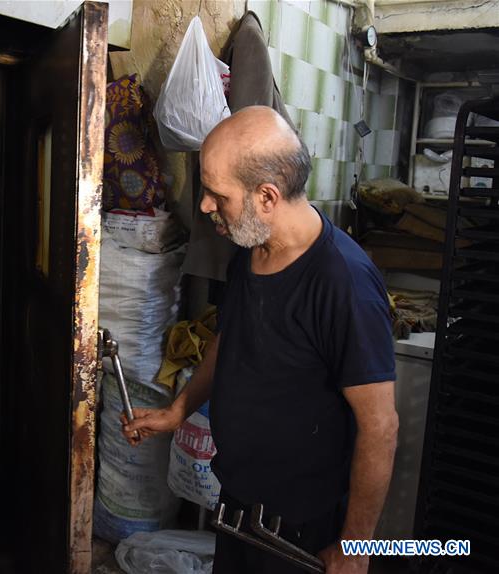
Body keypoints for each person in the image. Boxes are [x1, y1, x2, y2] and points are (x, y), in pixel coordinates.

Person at [122, 106, 398, 574]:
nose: (206, 206)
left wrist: (356, 548)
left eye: (217, 194)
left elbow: (381, 427)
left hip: (301, 528)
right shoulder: (250, 252)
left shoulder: (343, 285)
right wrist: (178, 408)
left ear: (267, 197)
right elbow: (230, 341)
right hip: (239, 506)